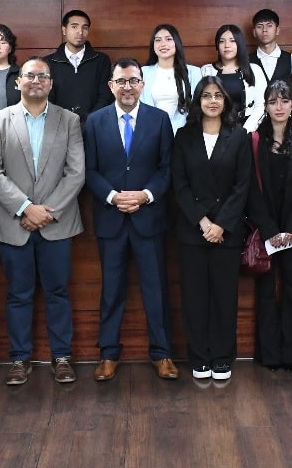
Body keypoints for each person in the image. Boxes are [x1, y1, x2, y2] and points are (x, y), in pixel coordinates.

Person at [0, 56, 85, 386]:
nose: (36, 81)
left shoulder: (69, 120)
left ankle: (62, 356)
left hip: (57, 223)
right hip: (12, 223)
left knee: (58, 292)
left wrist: (45, 212)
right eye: (30, 76)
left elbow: (76, 173)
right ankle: (19, 359)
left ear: (51, 84)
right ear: (18, 82)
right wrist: (26, 208)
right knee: (18, 294)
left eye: (43, 76)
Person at [84, 57, 177, 381]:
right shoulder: (94, 121)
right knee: (111, 291)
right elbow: (89, 170)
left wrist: (145, 195)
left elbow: (167, 169)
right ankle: (108, 354)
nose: (127, 87)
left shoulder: (159, 120)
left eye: (133, 81)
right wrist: (113, 196)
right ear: (111, 85)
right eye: (121, 81)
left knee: (156, 290)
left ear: (142, 84)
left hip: (149, 218)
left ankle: (162, 354)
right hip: (111, 219)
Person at [172, 76, 252, 381]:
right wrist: (203, 221)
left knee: (224, 297)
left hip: (226, 232)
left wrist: (221, 224)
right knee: (194, 298)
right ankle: (199, 357)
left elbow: (242, 186)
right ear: (198, 101)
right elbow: (179, 184)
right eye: (206, 95)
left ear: (226, 101)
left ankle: (222, 357)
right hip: (192, 230)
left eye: (218, 95)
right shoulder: (184, 136)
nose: (213, 101)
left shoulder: (239, 136)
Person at [246, 80, 292, 370]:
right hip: (266, 227)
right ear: (266, 106)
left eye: (284, 101)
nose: (279, 107)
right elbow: (251, 190)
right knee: (266, 291)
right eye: (273, 102)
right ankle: (269, 355)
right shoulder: (255, 141)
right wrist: (271, 229)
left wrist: (291, 228)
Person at [45, 9, 113, 122]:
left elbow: (105, 96)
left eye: (84, 28)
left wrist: (91, 120)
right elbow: (47, 98)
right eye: (74, 27)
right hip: (59, 124)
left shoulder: (101, 60)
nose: (80, 32)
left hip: (93, 123)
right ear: (64, 30)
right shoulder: (49, 62)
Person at [200, 25, 267, 130]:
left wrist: (244, 131)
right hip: (214, 130)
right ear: (217, 46)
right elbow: (200, 104)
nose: (227, 45)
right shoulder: (206, 71)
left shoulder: (254, 70)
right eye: (222, 41)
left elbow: (261, 106)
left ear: (239, 44)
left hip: (246, 129)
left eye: (232, 41)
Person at [138, 24, 202, 134]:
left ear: (176, 43)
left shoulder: (193, 72)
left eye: (168, 39)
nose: (163, 44)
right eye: (158, 40)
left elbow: (197, 107)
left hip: (184, 133)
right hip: (151, 132)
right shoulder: (143, 72)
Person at [248, 9, 292, 84]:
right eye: (259, 26)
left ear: (277, 30)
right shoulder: (246, 61)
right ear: (254, 32)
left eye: (269, 26)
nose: (264, 30)